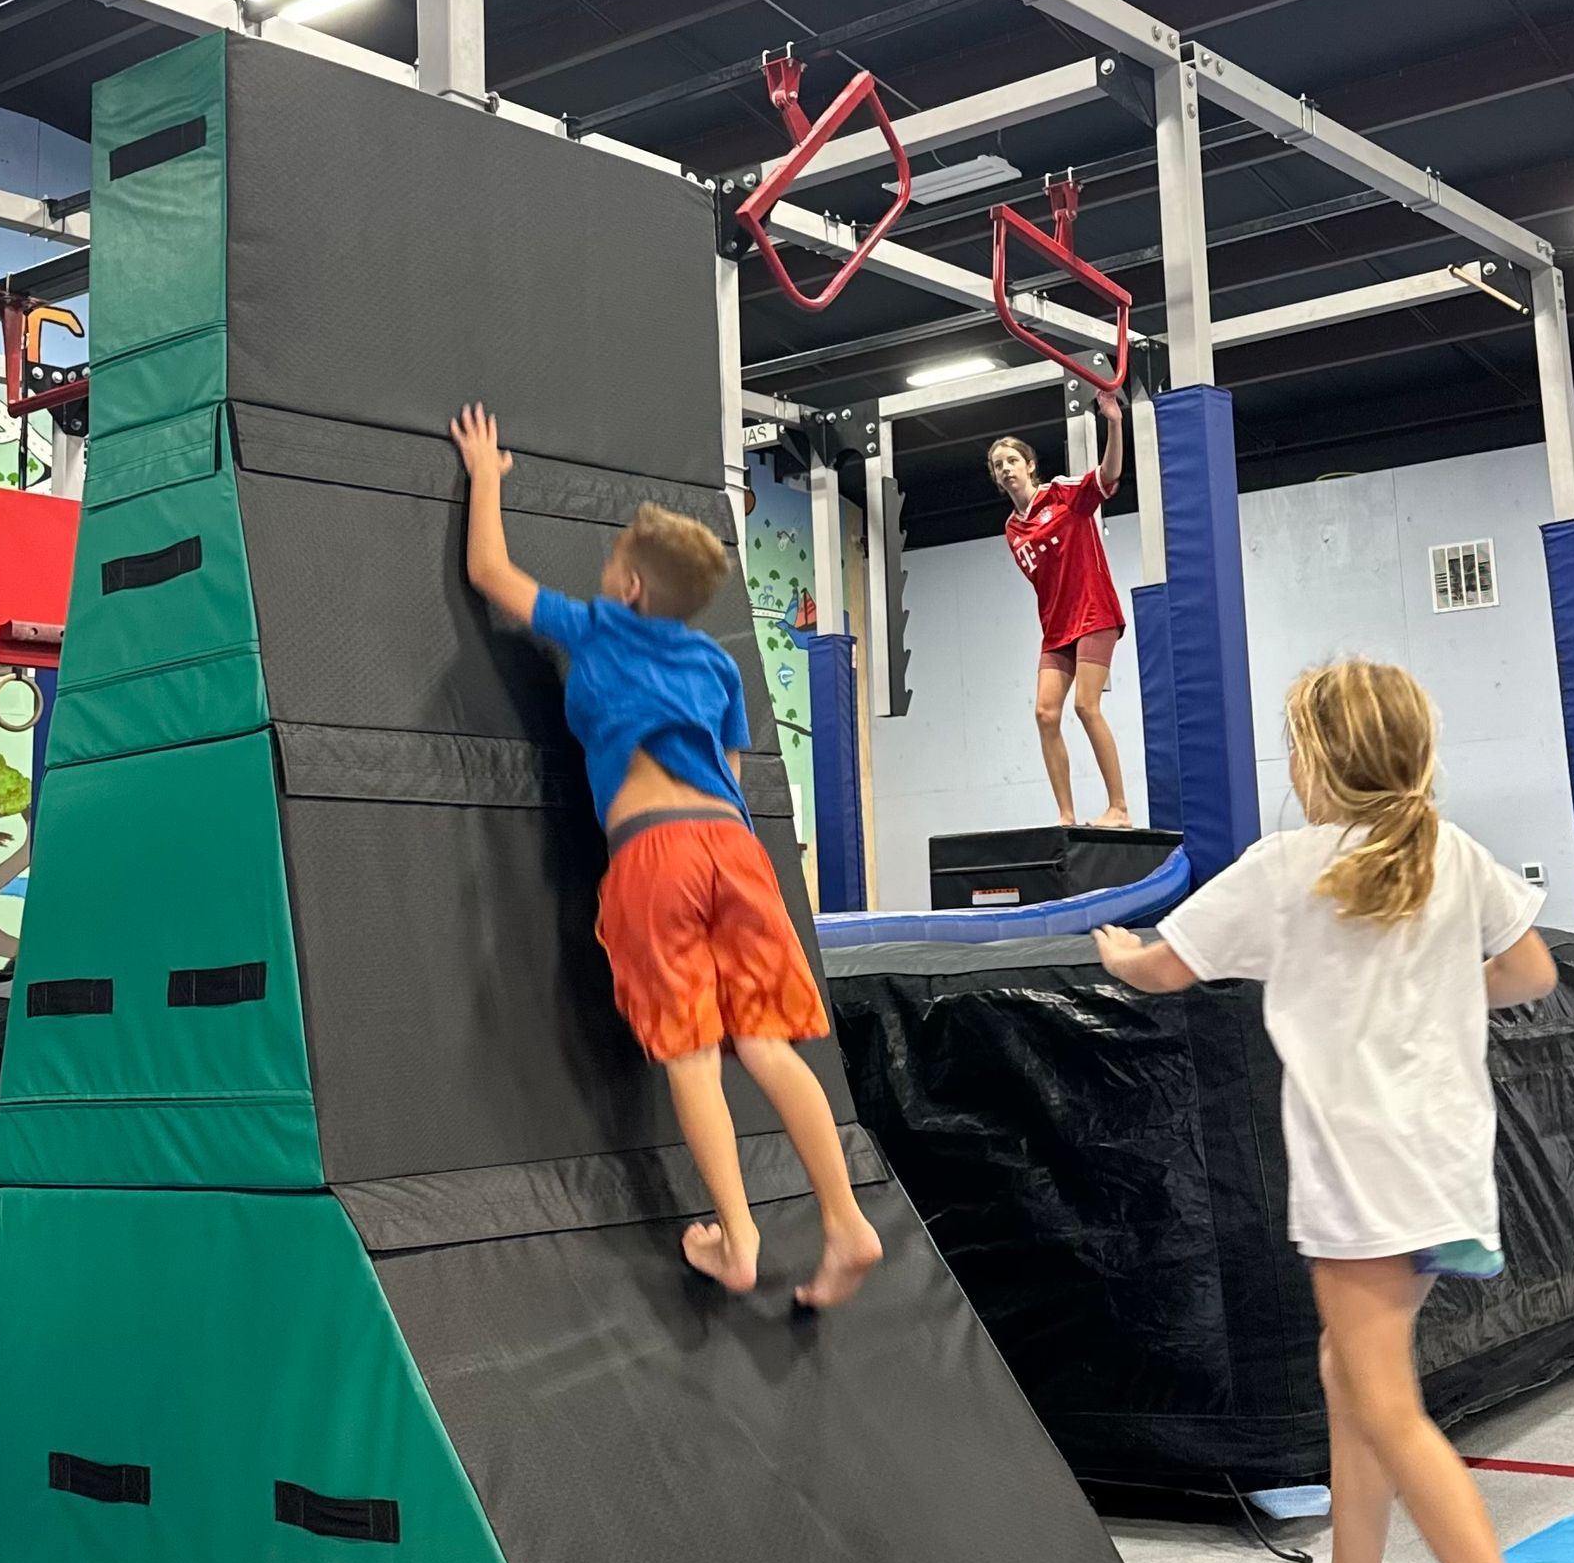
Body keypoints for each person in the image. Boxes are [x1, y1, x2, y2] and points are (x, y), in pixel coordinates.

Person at [1094, 660, 1570, 1563]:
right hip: (1446, 1157)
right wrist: (1429, 994)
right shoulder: (1450, 853)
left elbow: (1165, 966)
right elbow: (1533, 971)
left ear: (1312, 763)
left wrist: (1113, 950)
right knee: (1349, 1374)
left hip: (1364, 1169)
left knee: (1386, 1401)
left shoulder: (1290, 866)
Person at [448, 403, 884, 1308]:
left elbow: (489, 572)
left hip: (657, 856)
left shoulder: (597, 628)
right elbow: (725, 771)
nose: (601, 567)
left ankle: (738, 1236)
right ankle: (845, 1220)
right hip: (737, 848)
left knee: (690, 1053)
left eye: (611, 561)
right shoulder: (718, 667)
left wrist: (487, 474)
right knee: (763, 1044)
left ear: (631, 590)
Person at [990, 389, 1132, 829]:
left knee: (1087, 706)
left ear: (1030, 465)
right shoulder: (1012, 529)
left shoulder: (1062, 495)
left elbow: (1108, 477)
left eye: (1012, 461)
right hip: (1057, 628)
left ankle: (1119, 809)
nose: (1006, 469)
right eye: (998, 466)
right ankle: (1067, 815)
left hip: (1094, 613)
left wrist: (1113, 421)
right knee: (1045, 713)